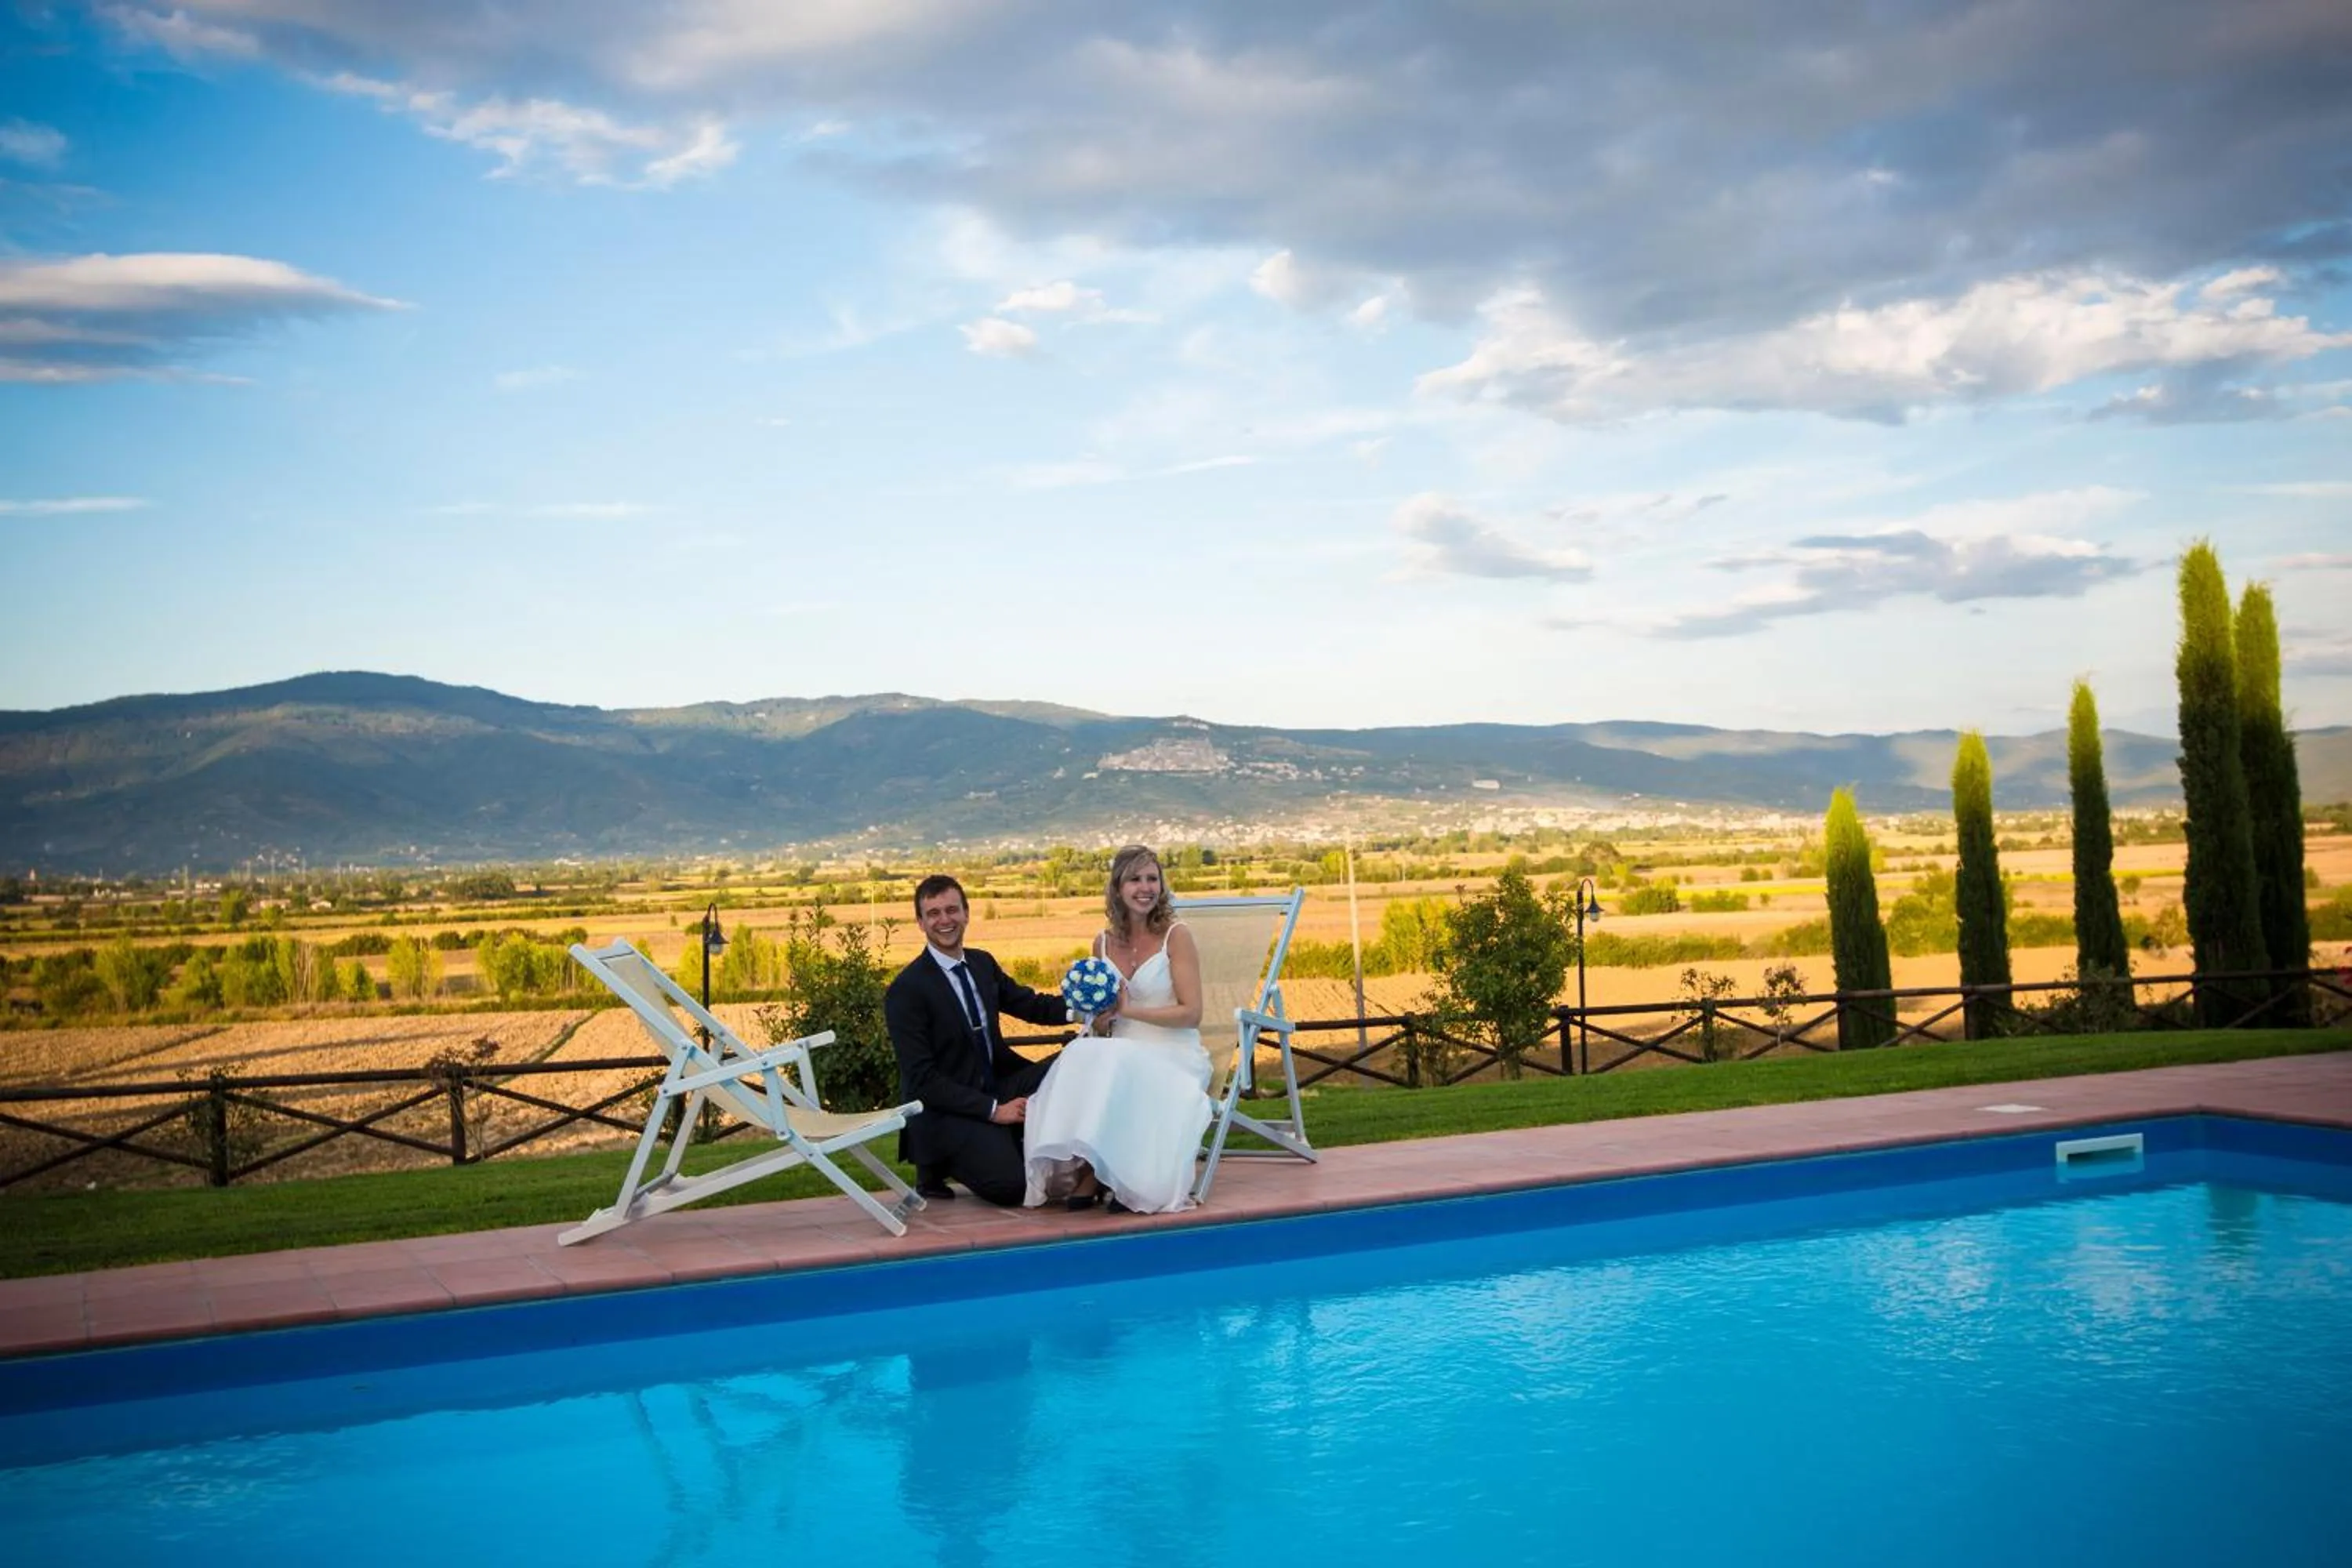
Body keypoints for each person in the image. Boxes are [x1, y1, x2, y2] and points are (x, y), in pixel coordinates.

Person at [1022, 844, 1215, 1214]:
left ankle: (1106, 1174)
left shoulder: (1176, 936)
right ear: (1118, 888)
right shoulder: (1103, 942)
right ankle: (1091, 1163)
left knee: (1116, 1061)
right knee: (1081, 1051)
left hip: (1173, 1052)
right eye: (1135, 879)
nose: (1145, 888)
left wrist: (1131, 1011)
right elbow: (1104, 1013)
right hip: (1119, 1048)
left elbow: (1192, 1014)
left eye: (1152, 879)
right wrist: (1099, 1019)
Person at [884, 873, 1070, 1206]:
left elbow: (1030, 1005)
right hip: (945, 1110)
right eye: (934, 913)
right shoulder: (906, 990)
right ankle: (940, 1163)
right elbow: (923, 1080)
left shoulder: (982, 963)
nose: (945, 920)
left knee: (1075, 1059)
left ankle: (1013, 1140)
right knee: (1013, 1187)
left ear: (966, 914)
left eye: (952, 910)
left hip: (996, 1085)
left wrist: (1083, 1010)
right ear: (920, 923)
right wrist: (995, 1111)